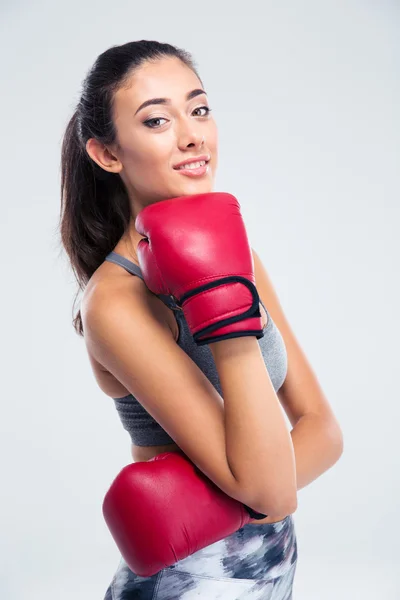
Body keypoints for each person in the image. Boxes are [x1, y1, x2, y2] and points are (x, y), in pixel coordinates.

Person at [59, 39, 343, 600]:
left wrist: (244, 497)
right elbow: (271, 491)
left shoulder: (240, 259)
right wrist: (262, 490)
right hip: (185, 582)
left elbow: (325, 432)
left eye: (200, 109)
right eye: (157, 120)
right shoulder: (114, 303)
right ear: (107, 153)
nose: (193, 135)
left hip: (268, 570)